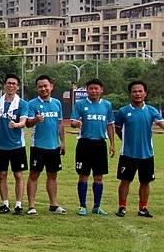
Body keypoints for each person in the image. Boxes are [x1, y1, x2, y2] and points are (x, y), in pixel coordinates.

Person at [114, 80, 164, 217]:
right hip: (128, 154)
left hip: (147, 154)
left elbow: (161, 123)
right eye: (134, 91)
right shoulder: (123, 111)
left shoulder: (151, 110)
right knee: (125, 181)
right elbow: (117, 128)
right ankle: (122, 207)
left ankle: (143, 208)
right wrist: (125, 141)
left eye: (140, 91)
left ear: (145, 93)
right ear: (130, 94)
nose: (137, 94)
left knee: (145, 182)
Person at [71, 78, 115, 216]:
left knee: (98, 177)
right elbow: (72, 121)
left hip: (100, 144)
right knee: (83, 176)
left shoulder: (107, 105)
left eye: (96, 88)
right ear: (86, 90)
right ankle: (82, 206)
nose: (94, 91)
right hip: (84, 143)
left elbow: (110, 125)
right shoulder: (80, 104)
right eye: (91, 88)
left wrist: (112, 144)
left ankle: (97, 206)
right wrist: (76, 124)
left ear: (101, 90)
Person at [25, 74, 66, 215]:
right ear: (37, 88)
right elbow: (28, 124)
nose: (43, 89)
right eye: (40, 87)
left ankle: (53, 204)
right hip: (38, 146)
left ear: (51, 87)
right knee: (34, 174)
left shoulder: (57, 103)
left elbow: (60, 123)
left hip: (53, 146)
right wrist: (36, 119)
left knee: (53, 175)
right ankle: (31, 206)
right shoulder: (32, 104)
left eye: (45, 86)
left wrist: (62, 142)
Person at [0, 74, 29, 214]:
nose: (11, 86)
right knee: (2, 174)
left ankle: (18, 205)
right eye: (9, 83)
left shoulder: (22, 104)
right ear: (4, 85)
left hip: (17, 145)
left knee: (18, 175)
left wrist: (17, 124)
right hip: (0, 145)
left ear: (17, 87)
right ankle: (5, 203)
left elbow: (24, 121)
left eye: (14, 83)